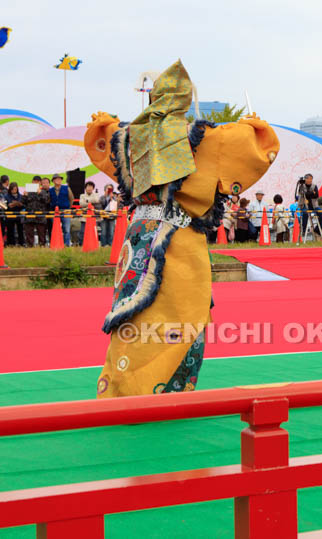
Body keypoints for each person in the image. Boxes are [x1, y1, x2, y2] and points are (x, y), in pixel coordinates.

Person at [85, 59, 279, 398]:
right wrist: (255, 128)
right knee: (182, 314)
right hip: (181, 238)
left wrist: (104, 124)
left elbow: (103, 144)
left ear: (154, 97)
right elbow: (255, 150)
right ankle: (170, 391)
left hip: (139, 237)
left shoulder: (128, 136)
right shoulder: (206, 140)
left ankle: (121, 389)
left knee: (137, 313)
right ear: (185, 100)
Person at [23, 176, 50, 247]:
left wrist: (40, 193)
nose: (36, 183)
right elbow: (23, 203)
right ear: (32, 182)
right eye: (34, 181)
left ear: (40, 183)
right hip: (30, 215)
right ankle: (30, 246)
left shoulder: (44, 191)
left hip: (40, 216)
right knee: (29, 233)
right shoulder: (28, 191)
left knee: (42, 234)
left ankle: (42, 246)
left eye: (37, 181)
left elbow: (47, 200)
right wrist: (24, 196)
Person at [49, 174, 73, 247]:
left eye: (60, 179)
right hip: (55, 211)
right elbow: (49, 200)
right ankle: (56, 244)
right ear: (53, 181)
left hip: (65, 210)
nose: (58, 181)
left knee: (67, 229)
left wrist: (68, 207)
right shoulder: (50, 190)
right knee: (56, 229)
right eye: (56, 179)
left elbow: (71, 198)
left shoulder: (66, 188)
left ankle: (67, 244)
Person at [78, 181, 103, 246]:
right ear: (85, 188)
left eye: (91, 187)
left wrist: (87, 201)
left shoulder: (96, 195)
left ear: (93, 188)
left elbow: (96, 200)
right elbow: (81, 204)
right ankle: (82, 245)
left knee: (93, 231)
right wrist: (91, 202)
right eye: (88, 186)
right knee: (83, 232)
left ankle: (93, 244)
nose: (89, 188)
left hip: (94, 217)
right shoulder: (82, 195)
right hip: (84, 217)